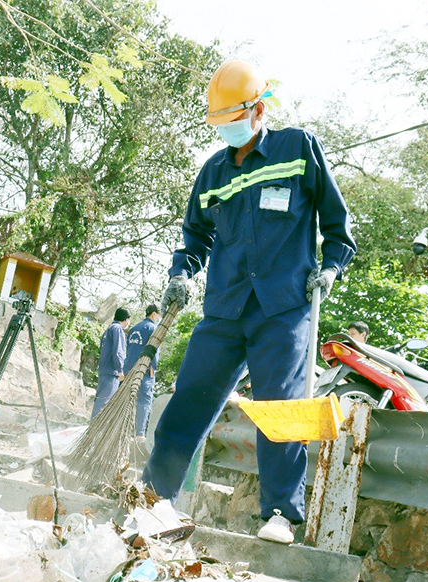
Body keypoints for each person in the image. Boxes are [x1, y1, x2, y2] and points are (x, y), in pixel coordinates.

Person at [141, 60, 356, 545]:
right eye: (219, 124)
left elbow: (338, 226)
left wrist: (329, 268)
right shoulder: (213, 171)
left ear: (259, 110)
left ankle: (280, 513)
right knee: (190, 399)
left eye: (234, 119)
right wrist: (181, 274)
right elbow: (194, 238)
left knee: (280, 404)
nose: (227, 132)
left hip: (283, 307)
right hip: (225, 307)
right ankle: (155, 499)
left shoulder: (298, 148)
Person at [124, 304, 162, 437]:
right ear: (153, 314)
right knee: (144, 402)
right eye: (159, 315)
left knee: (127, 401)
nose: (159, 318)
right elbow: (154, 351)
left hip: (129, 370)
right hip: (145, 371)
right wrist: (153, 368)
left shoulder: (134, 328)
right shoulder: (153, 328)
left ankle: (124, 432)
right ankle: (139, 434)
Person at [91, 307, 130, 418]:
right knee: (104, 404)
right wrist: (120, 370)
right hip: (112, 372)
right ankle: (94, 431)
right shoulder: (118, 329)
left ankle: (94, 430)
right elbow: (118, 351)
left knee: (100, 402)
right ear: (126, 319)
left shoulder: (109, 329)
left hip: (104, 370)